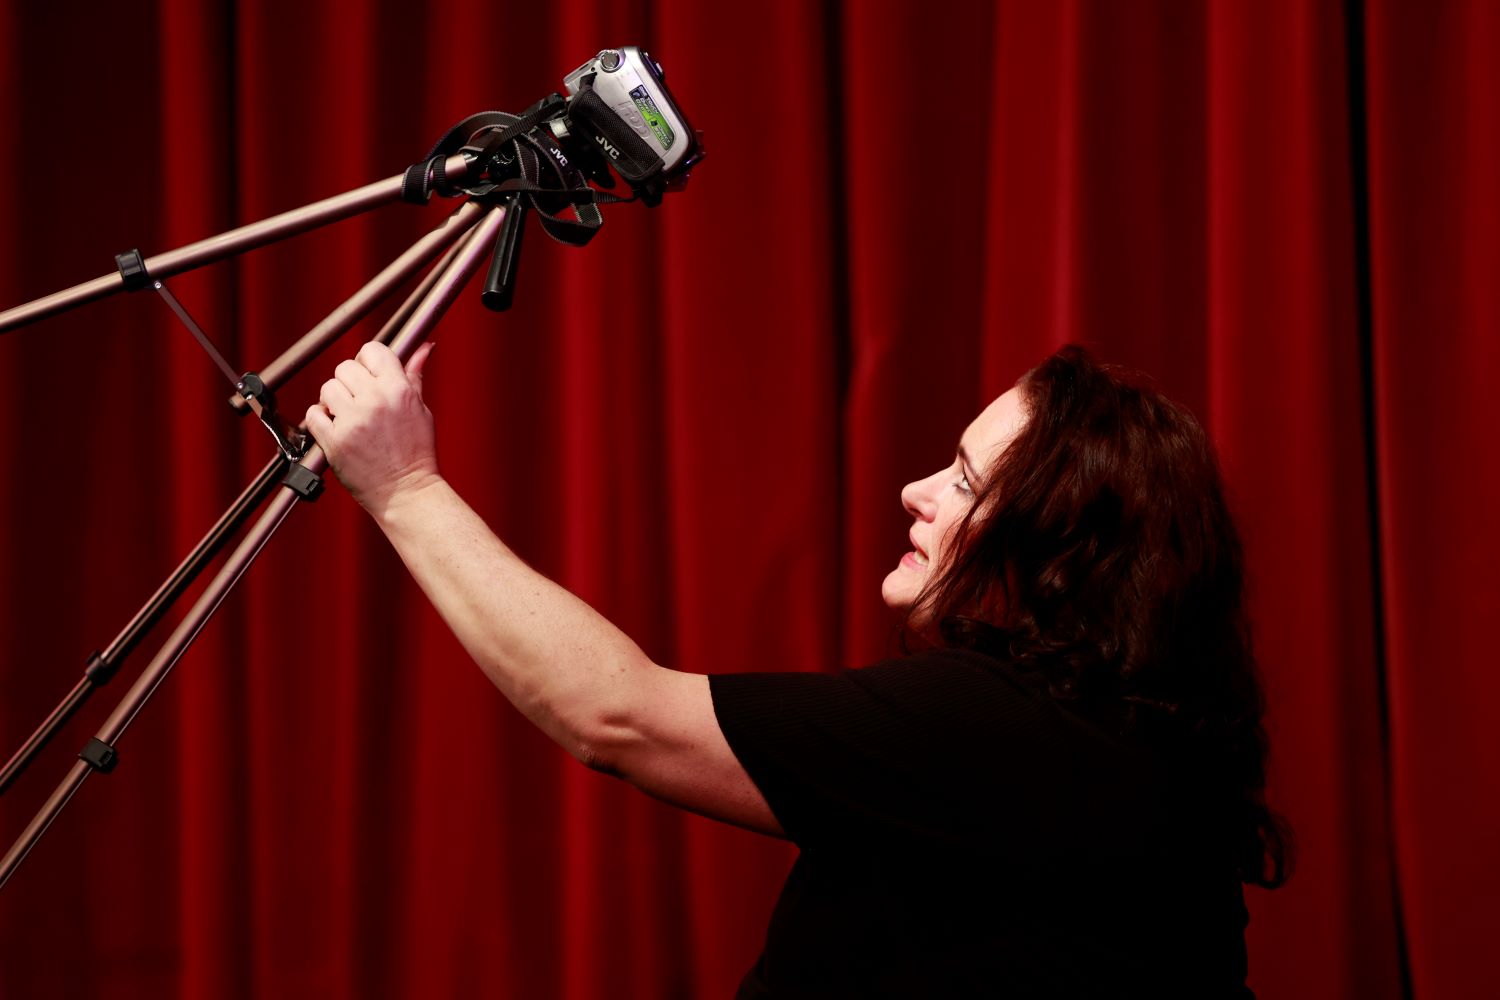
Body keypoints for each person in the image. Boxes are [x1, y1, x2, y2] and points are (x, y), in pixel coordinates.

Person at [305, 341, 1288, 998]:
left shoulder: (1000, 731)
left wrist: (405, 486)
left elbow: (617, 715)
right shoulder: (1126, 741)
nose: (916, 491)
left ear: (1061, 545)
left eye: (965, 480)